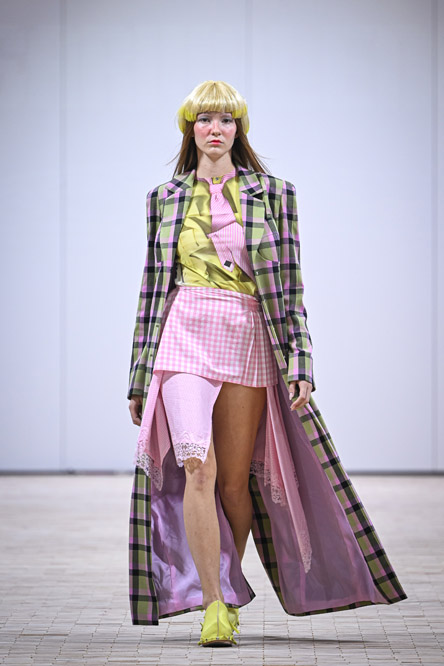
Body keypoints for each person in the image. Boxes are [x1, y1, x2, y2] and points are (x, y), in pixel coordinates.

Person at [127, 80, 407, 648]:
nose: (215, 129)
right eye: (204, 119)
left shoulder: (276, 194)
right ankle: (212, 604)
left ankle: (229, 592)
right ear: (189, 129)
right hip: (184, 334)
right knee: (196, 465)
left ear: (239, 129)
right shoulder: (164, 197)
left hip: (247, 336)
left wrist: (300, 358)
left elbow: (291, 286)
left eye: (226, 120)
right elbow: (153, 289)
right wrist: (138, 374)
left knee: (235, 484)